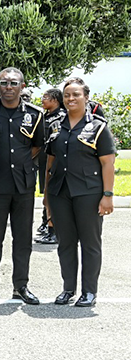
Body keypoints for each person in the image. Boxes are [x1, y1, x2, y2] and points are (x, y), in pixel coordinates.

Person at [43, 77, 115, 307]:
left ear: (86, 97)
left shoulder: (98, 127)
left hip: (89, 193)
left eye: (76, 94)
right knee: (65, 243)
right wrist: (46, 196)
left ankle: (89, 292)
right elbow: (49, 163)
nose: (71, 99)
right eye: (67, 95)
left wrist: (108, 195)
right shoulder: (56, 126)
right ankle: (68, 289)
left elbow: (107, 163)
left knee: (90, 243)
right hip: (59, 192)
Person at [0, 67, 43, 306]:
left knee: (23, 238)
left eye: (14, 83)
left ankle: (21, 286)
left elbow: (37, 146)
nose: (8, 87)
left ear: (22, 87)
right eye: (4, 83)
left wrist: (21, 163)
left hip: (23, 185)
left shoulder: (35, 115)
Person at [36, 88, 64, 244]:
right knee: (46, 196)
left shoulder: (60, 118)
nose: (42, 99)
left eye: (45, 97)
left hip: (54, 163)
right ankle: (48, 226)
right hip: (44, 162)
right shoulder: (44, 116)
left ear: (55, 100)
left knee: (52, 196)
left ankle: (54, 231)